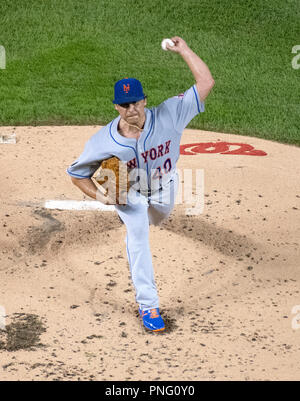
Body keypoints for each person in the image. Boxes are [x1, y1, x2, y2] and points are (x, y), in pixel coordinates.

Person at [67, 36, 215, 332]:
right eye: (124, 104)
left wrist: (184, 50)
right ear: (116, 107)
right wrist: (101, 197)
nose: (131, 108)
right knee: (138, 236)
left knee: (159, 218)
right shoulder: (103, 142)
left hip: (165, 186)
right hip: (130, 195)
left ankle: (150, 214)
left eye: (135, 101)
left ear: (145, 100)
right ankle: (149, 306)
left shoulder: (170, 114)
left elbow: (206, 82)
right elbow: (76, 173)